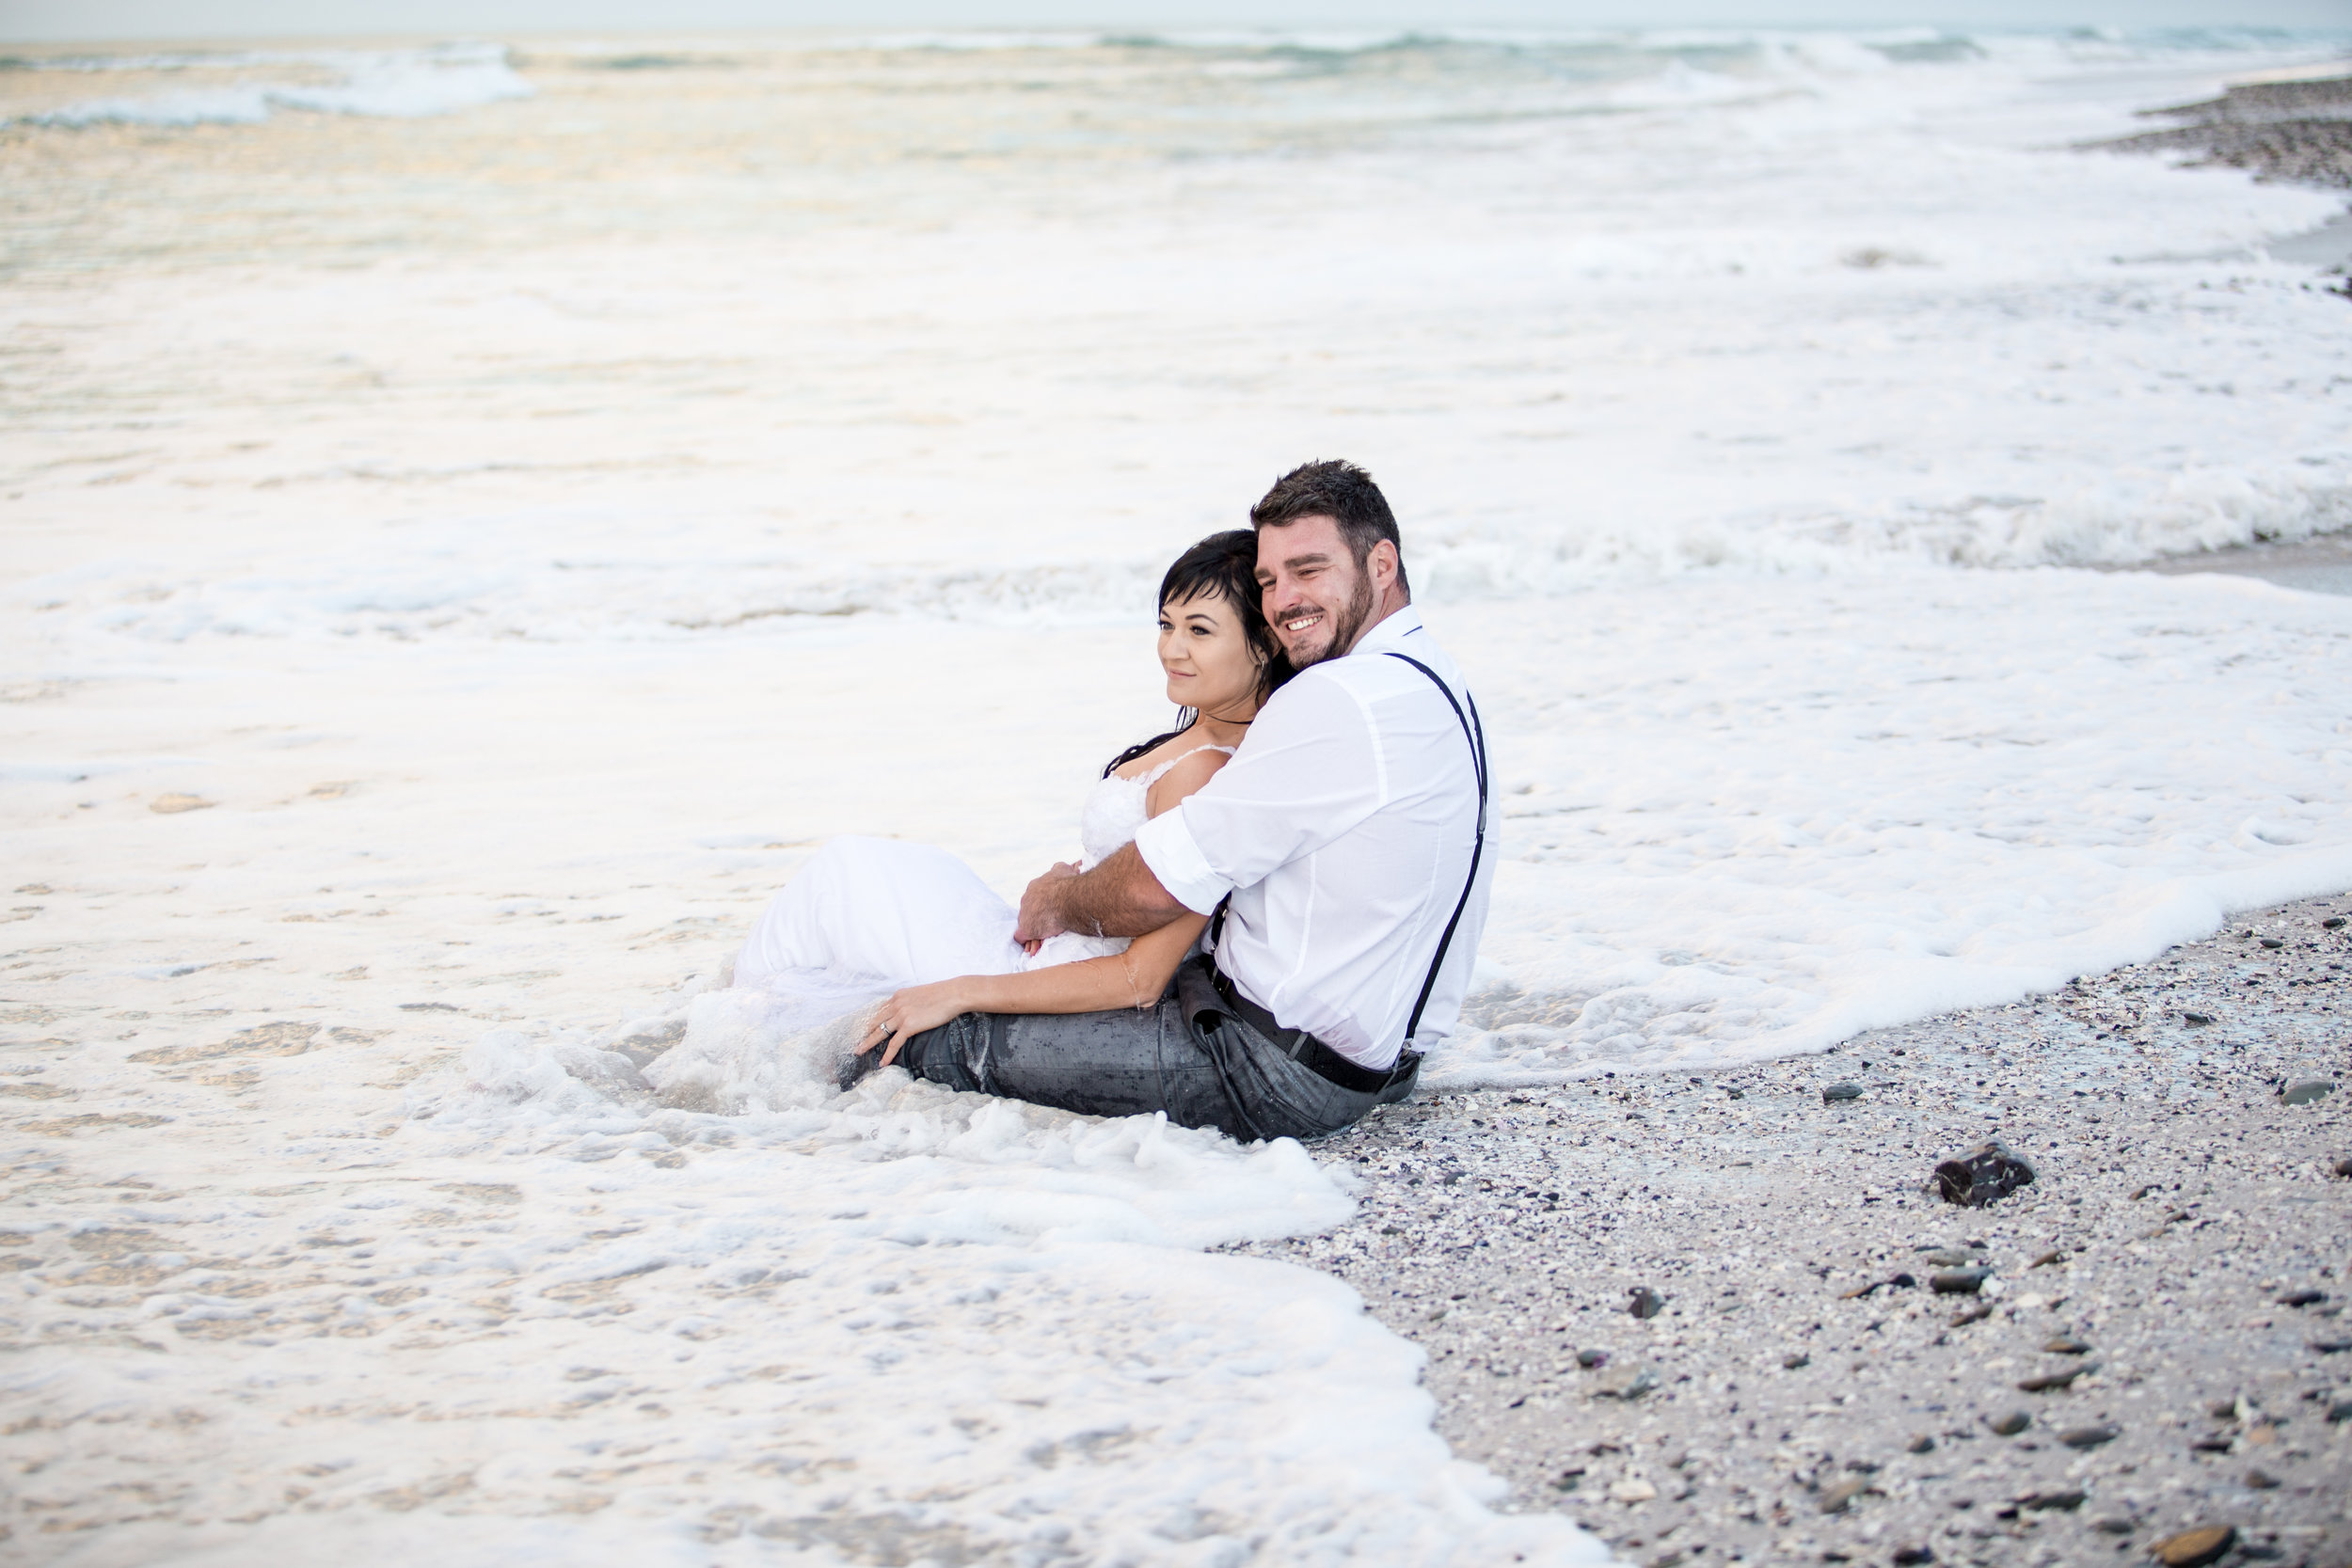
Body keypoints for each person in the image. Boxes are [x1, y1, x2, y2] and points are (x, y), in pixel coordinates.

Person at [858, 459, 1492, 1143]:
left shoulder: (1339, 699)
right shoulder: (1432, 678)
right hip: (1377, 1062)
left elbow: (1160, 888)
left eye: (1309, 570)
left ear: (1382, 563)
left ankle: (808, 1151)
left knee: (924, 1043)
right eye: (1271, 580)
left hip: (1270, 1070)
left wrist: (1055, 902)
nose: (1285, 601)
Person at [723, 529, 1288, 1046]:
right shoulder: (1199, 737)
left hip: (1046, 976)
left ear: (1262, 644)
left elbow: (1141, 978)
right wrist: (1067, 891)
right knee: (855, 873)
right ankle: (735, 1034)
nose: (1171, 648)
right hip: (1046, 942)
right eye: (1167, 624)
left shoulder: (1208, 775)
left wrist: (962, 991)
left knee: (839, 880)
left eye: (1199, 631)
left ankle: (727, 1042)